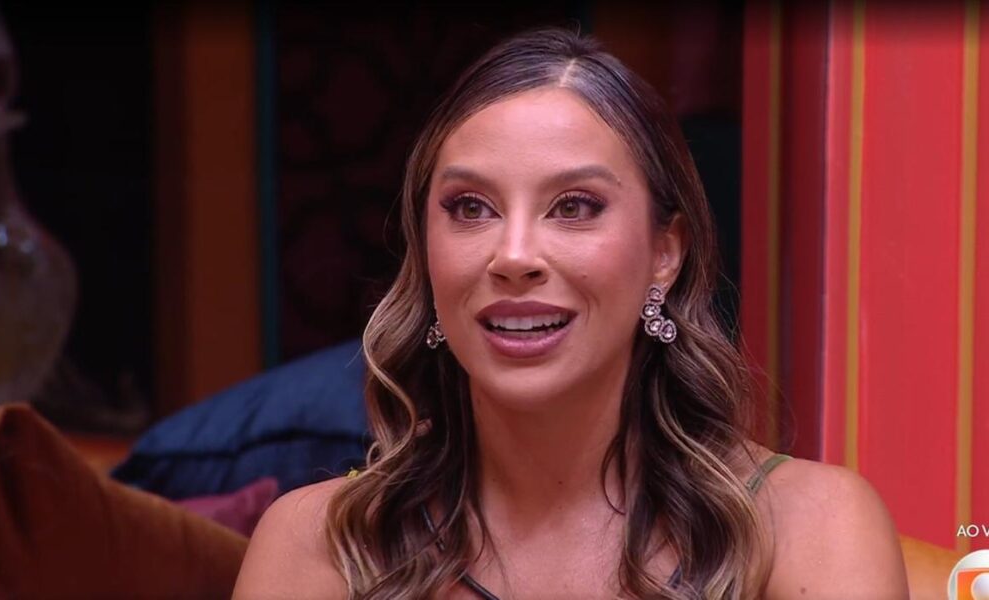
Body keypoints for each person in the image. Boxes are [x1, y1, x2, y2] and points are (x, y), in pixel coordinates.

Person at [233, 28, 908, 599]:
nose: (513, 256)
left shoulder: (812, 528)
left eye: (575, 206)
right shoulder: (318, 546)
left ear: (665, 253)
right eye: (471, 207)